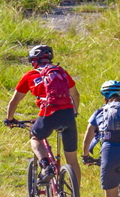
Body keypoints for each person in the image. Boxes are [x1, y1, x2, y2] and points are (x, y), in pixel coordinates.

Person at [4, 44, 81, 186]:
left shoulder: (31, 75)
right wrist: (74, 113)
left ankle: (46, 166)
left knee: (35, 137)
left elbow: (14, 102)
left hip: (49, 113)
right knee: (72, 160)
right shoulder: (62, 72)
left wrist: (10, 119)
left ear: (34, 61)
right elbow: (75, 95)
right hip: (68, 114)